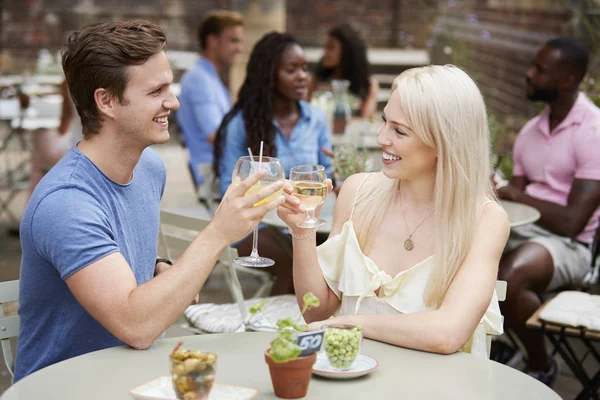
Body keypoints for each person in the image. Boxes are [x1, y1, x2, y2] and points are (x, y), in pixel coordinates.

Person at [14, 20, 287, 381]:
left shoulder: (148, 168)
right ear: (106, 101)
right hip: (66, 386)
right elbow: (137, 327)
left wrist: (159, 264)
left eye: (170, 86)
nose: (172, 101)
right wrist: (219, 232)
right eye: (156, 91)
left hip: (131, 374)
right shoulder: (66, 203)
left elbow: (129, 250)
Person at [278, 64, 511, 358]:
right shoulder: (357, 192)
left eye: (399, 130)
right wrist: (302, 231)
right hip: (354, 380)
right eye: (385, 121)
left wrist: (351, 323)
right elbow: (316, 313)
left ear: (444, 141)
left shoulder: (485, 220)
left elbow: (447, 333)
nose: (381, 139)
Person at [494, 37, 600, 386]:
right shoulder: (530, 132)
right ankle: (496, 350)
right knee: (459, 250)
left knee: (510, 277)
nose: (528, 74)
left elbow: (573, 222)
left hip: (571, 246)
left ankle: (541, 366)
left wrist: (518, 195)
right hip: (526, 231)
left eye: (540, 69)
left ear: (568, 80)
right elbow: (514, 200)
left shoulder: (592, 131)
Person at [214, 31, 332, 296]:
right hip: (254, 227)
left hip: (301, 220)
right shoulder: (241, 125)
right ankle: (283, 328)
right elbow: (228, 187)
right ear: (269, 74)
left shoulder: (316, 119)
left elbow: (327, 173)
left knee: (328, 257)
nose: (303, 76)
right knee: (295, 262)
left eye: (304, 68)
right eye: (292, 69)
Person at [177, 10, 244, 187]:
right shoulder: (199, 79)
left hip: (224, 172)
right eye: (233, 40)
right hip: (215, 177)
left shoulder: (211, 78)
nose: (239, 48)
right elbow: (216, 135)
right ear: (213, 41)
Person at [308, 23, 379, 119]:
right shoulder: (317, 80)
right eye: (325, 47)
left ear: (347, 51)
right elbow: (306, 112)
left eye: (331, 47)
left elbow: (366, 119)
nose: (325, 52)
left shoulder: (369, 85)